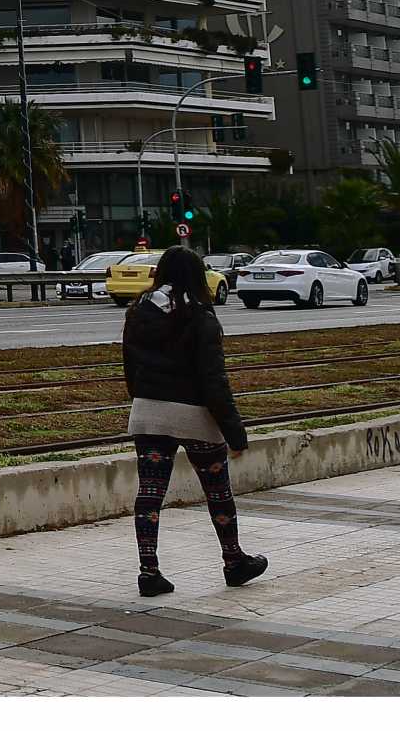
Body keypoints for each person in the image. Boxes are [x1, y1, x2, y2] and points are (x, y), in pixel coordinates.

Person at [121, 244, 267, 596]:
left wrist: (144, 398)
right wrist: (234, 432)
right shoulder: (200, 315)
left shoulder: (138, 311)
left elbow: (129, 368)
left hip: (149, 412)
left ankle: (148, 572)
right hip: (194, 415)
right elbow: (214, 379)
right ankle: (234, 562)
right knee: (217, 491)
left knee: (150, 494)